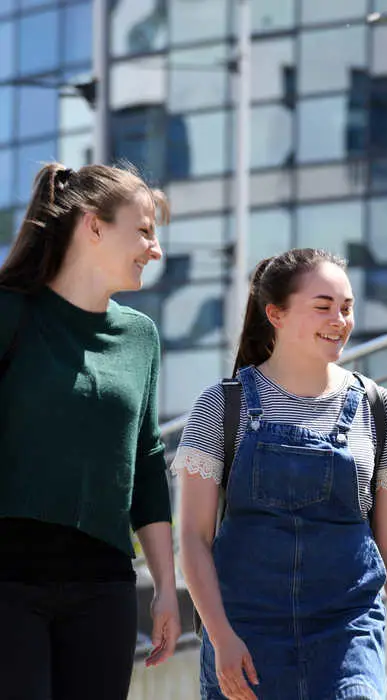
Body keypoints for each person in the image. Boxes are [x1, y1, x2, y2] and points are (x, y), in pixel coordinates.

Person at [174, 248, 387, 700]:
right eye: (323, 306)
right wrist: (221, 638)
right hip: (246, 632)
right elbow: (194, 538)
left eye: (347, 308)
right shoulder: (221, 406)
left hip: (346, 628)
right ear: (275, 314)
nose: (340, 320)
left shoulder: (379, 408)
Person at [0, 163, 181, 700]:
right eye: (144, 230)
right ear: (93, 225)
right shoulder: (10, 312)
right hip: (7, 578)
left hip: (104, 584)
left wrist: (167, 589)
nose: (155, 249)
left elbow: (147, 463)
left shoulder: (140, 337)